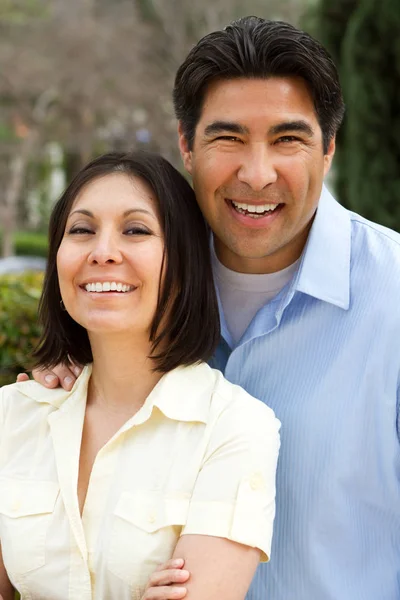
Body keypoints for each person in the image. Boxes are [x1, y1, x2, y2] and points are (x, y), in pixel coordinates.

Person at [22, 16, 400, 600]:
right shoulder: (136, 286)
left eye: (287, 140)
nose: (256, 174)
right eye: (228, 139)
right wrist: (77, 380)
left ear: (328, 149)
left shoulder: (392, 296)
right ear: (186, 145)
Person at [0, 151, 281, 600]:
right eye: (81, 230)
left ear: (186, 262)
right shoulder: (11, 416)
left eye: (136, 230)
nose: (103, 252)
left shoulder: (234, 429)